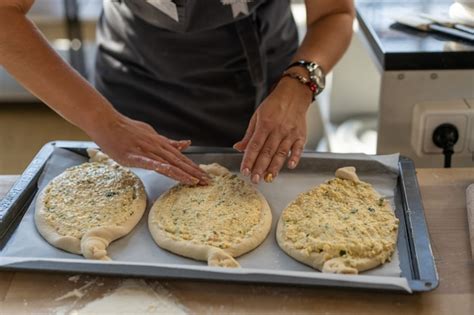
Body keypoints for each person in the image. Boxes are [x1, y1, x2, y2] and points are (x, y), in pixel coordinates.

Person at [0, 0, 354, 185]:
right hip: (135, 87)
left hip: (265, 93)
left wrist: (300, 83)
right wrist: (102, 120)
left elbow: (334, 13)